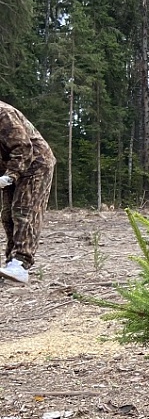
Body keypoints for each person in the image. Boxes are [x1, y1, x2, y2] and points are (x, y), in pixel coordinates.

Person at [0, 101, 56, 285]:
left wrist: (10, 175)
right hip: (10, 167)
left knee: (24, 210)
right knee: (7, 215)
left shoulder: (4, 114)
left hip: (36, 163)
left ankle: (21, 263)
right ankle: (11, 264)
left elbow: (23, 147)